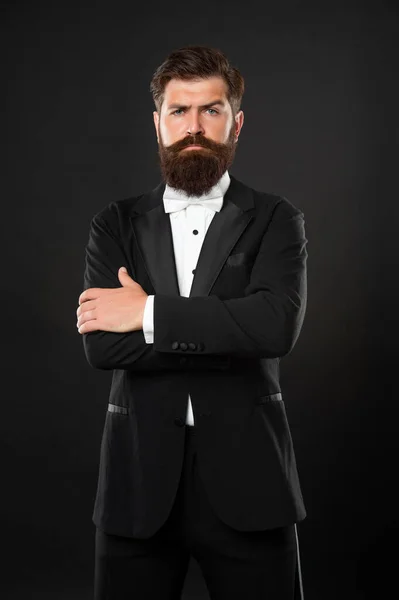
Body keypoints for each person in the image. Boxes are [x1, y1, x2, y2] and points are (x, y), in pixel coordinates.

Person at [76, 45, 308, 600]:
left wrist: (147, 314)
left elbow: (275, 327)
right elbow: (103, 349)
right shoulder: (114, 222)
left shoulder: (277, 218)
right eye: (179, 111)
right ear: (157, 123)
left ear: (237, 123)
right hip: (137, 484)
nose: (194, 127)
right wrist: (230, 330)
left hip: (252, 483)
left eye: (211, 110)